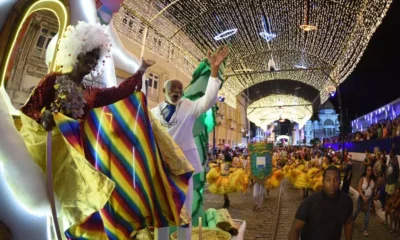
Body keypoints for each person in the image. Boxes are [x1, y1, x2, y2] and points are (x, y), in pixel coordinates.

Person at [151, 46, 229, 240]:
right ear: (164, 91)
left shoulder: (189, 107)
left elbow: (209, 99)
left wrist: (213, 71)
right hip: (162, 169)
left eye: (179, 88)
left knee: (184, 212)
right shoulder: (152, 113)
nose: (177, 91)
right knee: (161, 212)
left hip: (185, 168)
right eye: (172, 88)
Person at [289, 165, 353, 240]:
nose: (332, 184)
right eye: (328, 180)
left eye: (335, 179)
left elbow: (348, 224)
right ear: (322, 181)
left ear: (340, 181)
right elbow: (295, 230)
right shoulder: (309, 202)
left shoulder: (346, 201)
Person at [353, 165, 377, 237]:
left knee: (367, 214)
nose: (369, 172)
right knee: (357, 211)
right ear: (366, 171)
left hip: (369, 199)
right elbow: (359, 188)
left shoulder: (373, 180)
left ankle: (365, 230)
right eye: (368, 170)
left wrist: (375, 190)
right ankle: (352, 220)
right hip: (362, 198)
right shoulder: (362, 179)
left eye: (370, 170)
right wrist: (363, 197)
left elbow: (375, 187)